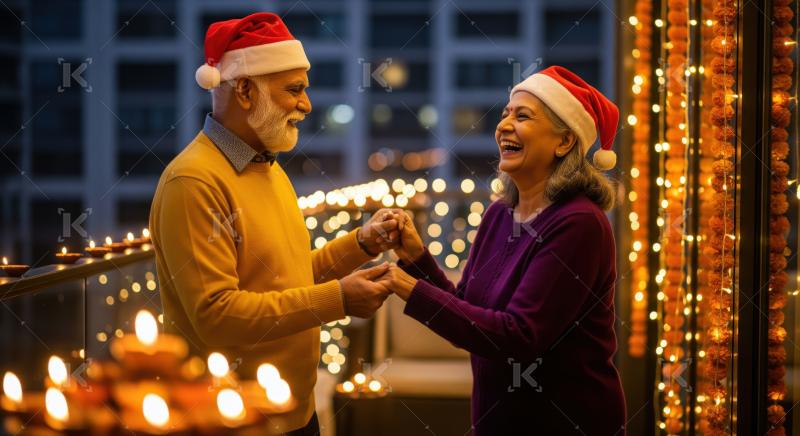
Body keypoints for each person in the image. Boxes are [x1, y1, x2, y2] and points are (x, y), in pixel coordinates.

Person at [149, 13, 399, 435]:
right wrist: (337, 300)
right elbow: (216, 315)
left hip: (296, 415)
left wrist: (362, 243)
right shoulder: (192, 181)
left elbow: (289, 277)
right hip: (235, 423)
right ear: (245, 89)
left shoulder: (265, 165)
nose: (307, 104)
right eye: (295, 89)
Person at [376, 66, 627, 435]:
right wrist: (416, 260)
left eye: (522, 116)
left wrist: (406, 287)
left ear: (564, 142)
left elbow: (518, 337)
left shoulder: (579, 223)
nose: (504, 125)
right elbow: (469, 311)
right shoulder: (499, 213)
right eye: (506, 113)